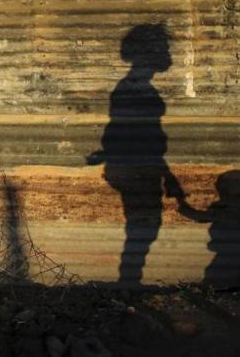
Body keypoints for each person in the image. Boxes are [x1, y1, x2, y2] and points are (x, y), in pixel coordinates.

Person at [87, 24, 185, 284]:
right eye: (163, 48)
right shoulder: (132, 89)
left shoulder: (137, 87)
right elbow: (131, 135)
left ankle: (129, 283)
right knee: (143, 226)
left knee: (143, 226)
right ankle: (128, 284)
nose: (168, 53)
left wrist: (166, 175)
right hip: (135, 167)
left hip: (139, 165)